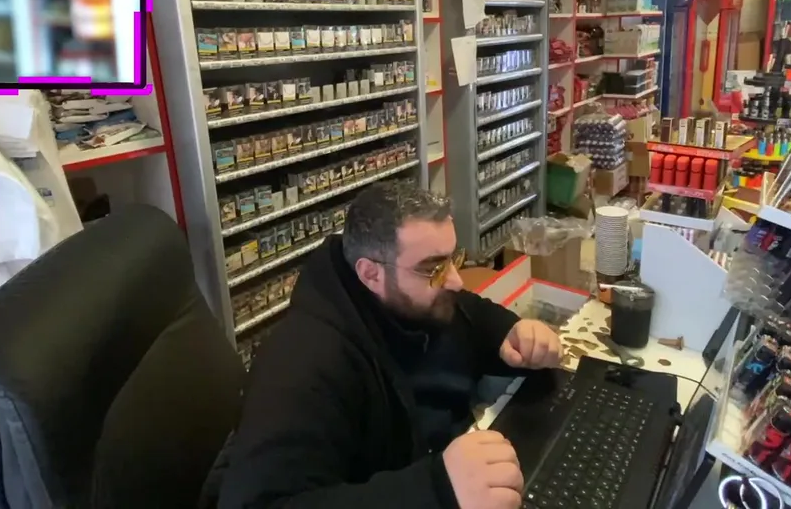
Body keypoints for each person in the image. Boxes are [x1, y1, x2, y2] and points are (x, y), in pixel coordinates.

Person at [212, 182, 562, 509]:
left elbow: (469, 312)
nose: (456, 281)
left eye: (453, 258)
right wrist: (436, 488)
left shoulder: (418, 300)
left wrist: (512, 332)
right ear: (371, 274)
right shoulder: (303, 365)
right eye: (433, 269)